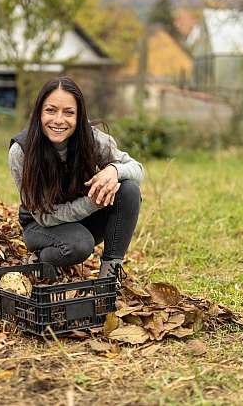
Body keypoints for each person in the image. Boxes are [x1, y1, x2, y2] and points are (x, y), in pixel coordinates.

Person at [8, 76, 143, 281]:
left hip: (81, 218)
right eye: (51, 110)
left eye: (69, 112)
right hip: (41, 226)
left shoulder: (92, 138)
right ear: (38, 113)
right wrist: (93, 203)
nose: (59, 120)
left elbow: (137, 168)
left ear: (79, 116)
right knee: (79, 246)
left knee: (129, 190)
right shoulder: (22, 151)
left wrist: (114, 170)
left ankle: (109, 276)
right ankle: (41, 259)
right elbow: (45, 216)